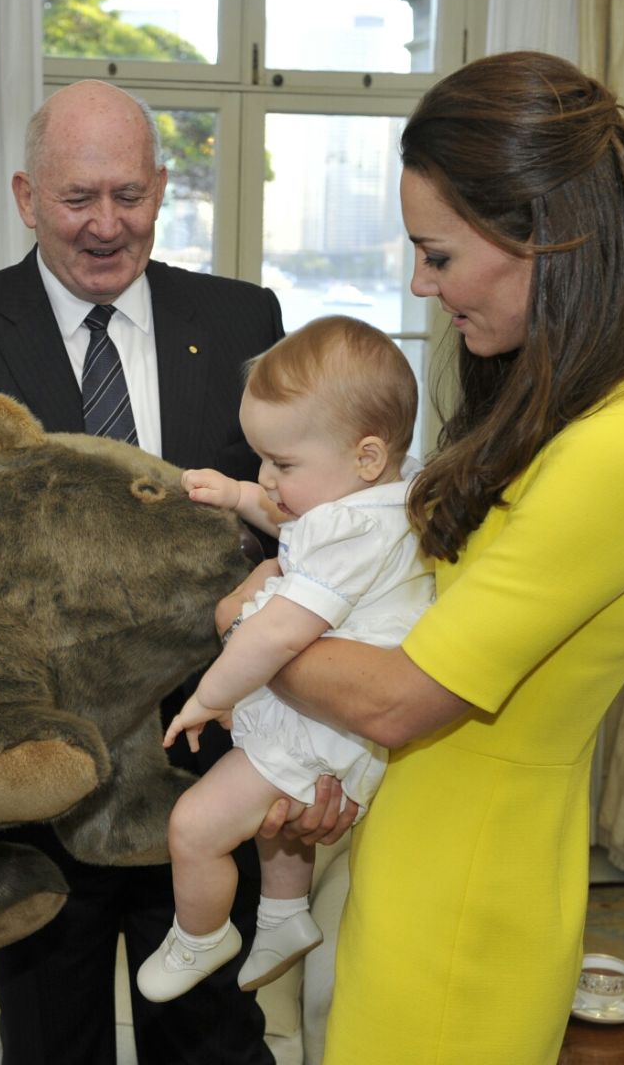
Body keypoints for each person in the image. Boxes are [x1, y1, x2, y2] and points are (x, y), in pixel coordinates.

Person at [227, 52, 624, 1062]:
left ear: (549, 234)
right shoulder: (566, 407)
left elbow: (396, 699)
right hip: (420, 843)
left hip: (467, 887)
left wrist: (248, 618)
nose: (419, 283)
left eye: (439, 254)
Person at [0, 79, 286, 1065]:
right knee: (52, 1039)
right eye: (77, 199)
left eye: (128, 196)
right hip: (34, 782)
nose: (105, 225)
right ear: (24, 197)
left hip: (203, 761)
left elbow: (294, 526)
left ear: (164, 189)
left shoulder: (238, 321)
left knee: (214, 1037)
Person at [136, 315, 432, 1004]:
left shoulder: (349, 528)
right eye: (261, 462)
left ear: (364, 455)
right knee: (277, 824)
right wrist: (243, 498)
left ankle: (200, 935)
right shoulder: (385, 497)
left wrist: (210, 696)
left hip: (326, 720)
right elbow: (304, 526)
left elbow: (273, 638)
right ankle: (283, 915)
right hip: (341, 722)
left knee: (195, 826)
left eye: (282, 466)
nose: (267, 477)